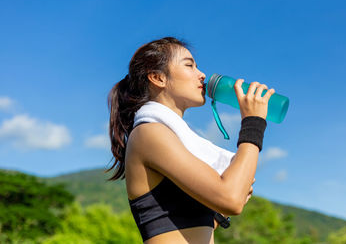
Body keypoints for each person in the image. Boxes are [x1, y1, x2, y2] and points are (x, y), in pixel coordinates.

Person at [107, 37, 275, 243]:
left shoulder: (178, 140)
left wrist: (219, 211)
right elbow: (230, 199)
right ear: (158, 78)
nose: (202, 74)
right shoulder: (149, 134)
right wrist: (253, 123)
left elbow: (190, 226)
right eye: (189, 65)